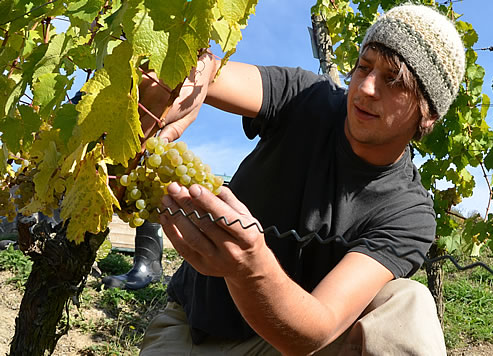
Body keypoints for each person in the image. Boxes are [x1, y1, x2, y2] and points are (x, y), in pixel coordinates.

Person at [138, 4, 465, 355]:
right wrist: (185, 77)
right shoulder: (309, 97)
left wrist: (251, 269)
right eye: (364, 67)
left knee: (407, 305)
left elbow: (315, 329)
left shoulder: (408, 214)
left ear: (428, 114)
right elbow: (214, 76)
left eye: (393, 80)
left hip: (286, 339)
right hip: (191, 331)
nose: (367, 88)